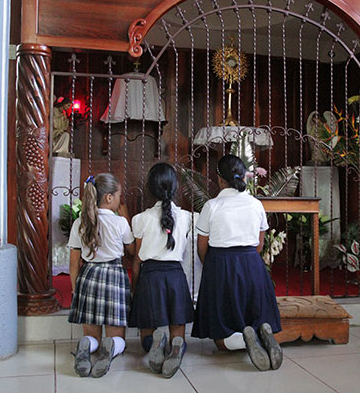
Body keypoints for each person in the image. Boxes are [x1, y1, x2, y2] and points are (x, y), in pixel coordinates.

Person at [192, 155, 283, 371]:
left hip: (220, 264)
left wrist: (212, 267)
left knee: (220, 339)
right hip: (252, 264)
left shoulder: (211, 206)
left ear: (219, 180)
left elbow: (201, 246)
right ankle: (261, 332)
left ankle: (243, 339)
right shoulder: (256, 204)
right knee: (255, 314)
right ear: (244, 177)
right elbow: (259, 244)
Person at [129, 163, 195, 378]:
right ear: (175, 188)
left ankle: (154, 344)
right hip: (175, 276)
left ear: (149, 188)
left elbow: (137, 258)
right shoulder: (186, 217)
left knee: (145, 333)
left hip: (149, 277)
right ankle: (176, 346)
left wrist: (135, 287)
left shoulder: (140, 219)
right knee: (178, 330)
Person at [68, 173, 134, 378]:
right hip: (114, 276)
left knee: (91, 333)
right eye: (118, 196)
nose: (119, 200)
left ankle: (87, 345)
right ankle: (113, 346)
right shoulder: (120, 223)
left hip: (89, 276)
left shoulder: (80, 222)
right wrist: (126, 216)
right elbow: (132, 251)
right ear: (108, 198)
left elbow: (73, 262)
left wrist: (74, 288)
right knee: (117, 336)